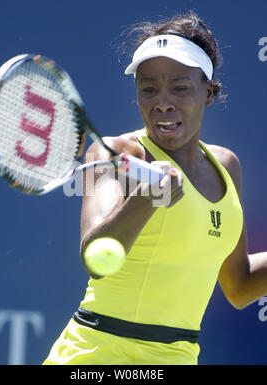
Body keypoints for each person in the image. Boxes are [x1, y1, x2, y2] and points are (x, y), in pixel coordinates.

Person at [43, 11, 267, 365]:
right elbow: (96, 257)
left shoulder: (227, 166)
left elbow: (238, 285)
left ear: (208, 92)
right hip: (97, 357)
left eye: (180, 87)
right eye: (149, 88)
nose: (163, 101)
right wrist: (145, 200)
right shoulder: (117, 153)